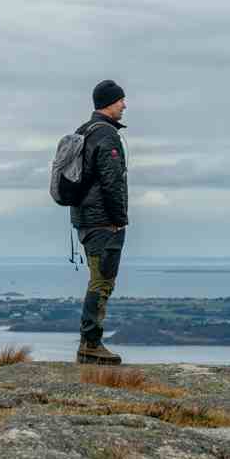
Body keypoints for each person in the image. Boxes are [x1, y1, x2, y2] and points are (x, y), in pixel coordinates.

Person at [72, 79, 128, 365]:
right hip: (103, 222)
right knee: (102, 281)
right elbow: (111, 181)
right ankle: (90, 343)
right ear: (109, 102)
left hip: (85, 219)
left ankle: (89, 342)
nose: (124, 105)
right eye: (120, 100)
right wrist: (119, 220)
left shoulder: (85, 131)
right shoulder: (106, 135)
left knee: (99, 279)